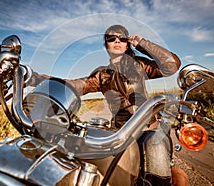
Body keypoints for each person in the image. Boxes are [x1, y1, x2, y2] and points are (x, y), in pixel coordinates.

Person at [29, 24, 188, 185]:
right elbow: (73, 84)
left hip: (149, 128)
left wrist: (142, 43)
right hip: (121, 132)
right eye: (111, 39)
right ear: (106, 45)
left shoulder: (139, 65)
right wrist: (35, 78)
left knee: (156, 145)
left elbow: (171, 65)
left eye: (122, 38)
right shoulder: (102, 75)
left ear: (127, 44)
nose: (117, 41)